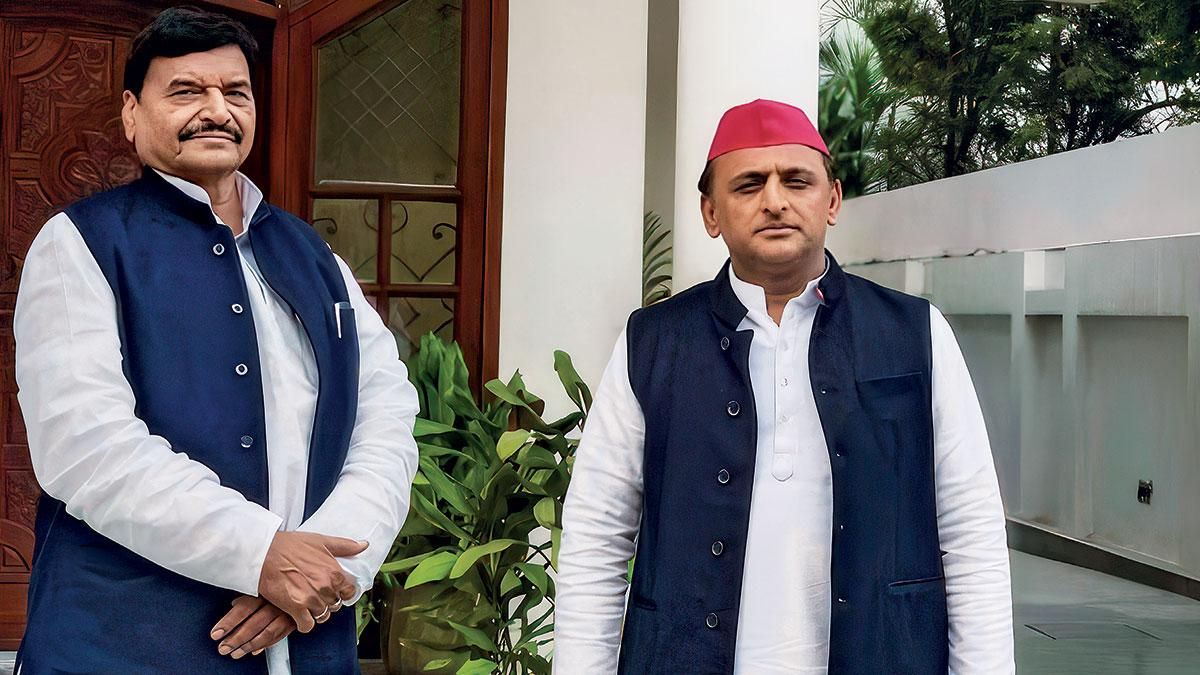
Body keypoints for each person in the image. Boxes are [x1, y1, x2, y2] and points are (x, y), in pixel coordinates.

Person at [13, 7, 418, 673]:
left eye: (236, 92)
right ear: (131, 114)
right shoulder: (82, 243)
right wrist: (260, 552)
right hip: (124, 644)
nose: (217, 110)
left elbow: (387, 416)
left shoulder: (313, 255)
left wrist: (326, 561)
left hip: (308, 635)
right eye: (185, 91)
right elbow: (85, 446)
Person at [554, 99, 1014, 674]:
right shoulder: (653, 343)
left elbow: (971, 533)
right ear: (711, 213)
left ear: (833, 200)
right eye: (749, 184)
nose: (775, 200)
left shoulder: (914, 333)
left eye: (797, 181)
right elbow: (598, 536)